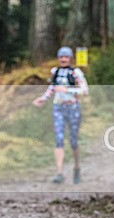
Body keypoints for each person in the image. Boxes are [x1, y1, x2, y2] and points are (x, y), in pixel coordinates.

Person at [32, 46, 89, 184]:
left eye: (66, 57)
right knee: (59, 139)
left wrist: (68, 90)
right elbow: (52, 87)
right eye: (61, 57)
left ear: (70, 59)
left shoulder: (76, 73)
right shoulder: (55, 72)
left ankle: (76, 167)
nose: (63, 59)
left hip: (73, 108)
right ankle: (59, 173)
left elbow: (84, 90)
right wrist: (43, 98)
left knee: (73, 141)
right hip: (58, 108)